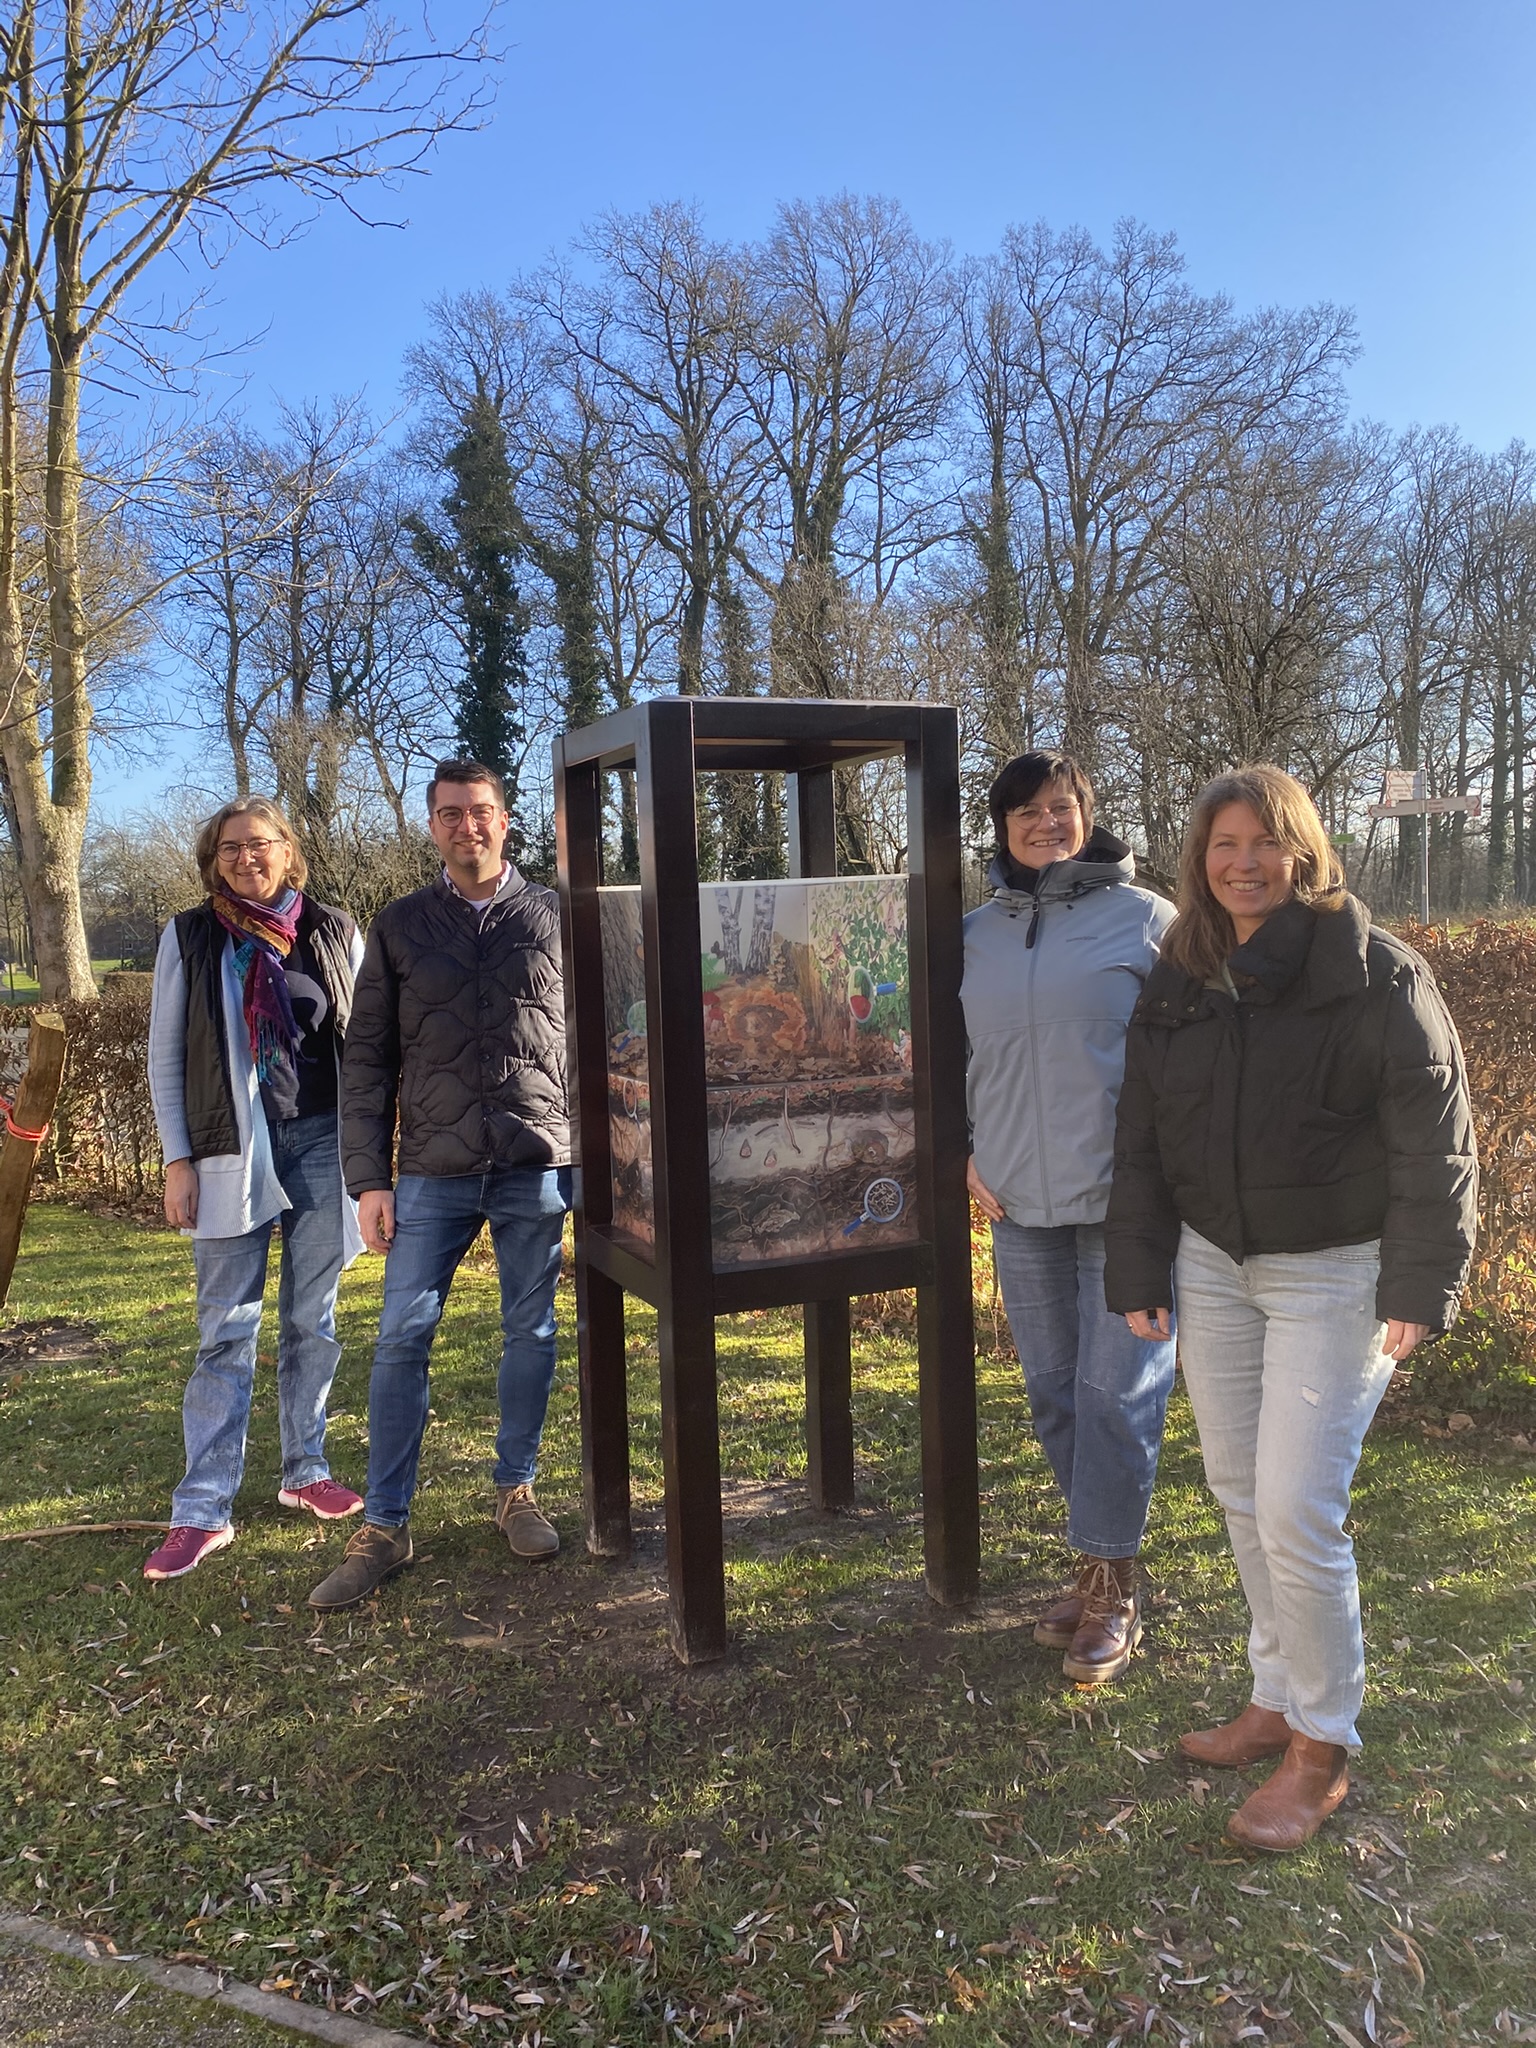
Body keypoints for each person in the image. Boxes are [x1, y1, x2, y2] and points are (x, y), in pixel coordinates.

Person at [1106, 765, 1476, 1850]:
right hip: (1214, 1265)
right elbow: (1143, 1137)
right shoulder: (1179, 976)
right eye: (1223, 844)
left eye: (1265, 841)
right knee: (1234, 1487)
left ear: (1304, 850)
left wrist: (1419, 1282)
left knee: (1295, 1507)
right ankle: (1273, 1694)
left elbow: (1435, 1143)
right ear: (1199, 860)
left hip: (1336, 1272)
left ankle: (1322, 1740)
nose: (1244, 862)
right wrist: (1139, 1267)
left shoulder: (1375, 972)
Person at [307, 760, 572, 1611]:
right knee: (399, 1341)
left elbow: (609, 1044)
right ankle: (385, 1524)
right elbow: (368, 1058)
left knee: (529, 1332)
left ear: (506, 819)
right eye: (452, 815)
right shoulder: (400, 926)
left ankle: (515, 1489)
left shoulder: (558, 916)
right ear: (432, 827)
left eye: (483, 812)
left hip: (537, 1162)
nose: (470, 827)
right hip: (430, 1171)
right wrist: (367, 1179)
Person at [962, 751, 1177, 1683]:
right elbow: (934, 1052)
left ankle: (1112, 1589)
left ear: (1088, 814)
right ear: (1002, 827)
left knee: (1116, 1393)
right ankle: (1100, 1564)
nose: (1045, 824)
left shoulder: (1150, 920)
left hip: (1128, 1207)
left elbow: (1198, 1057)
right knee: (1052, 1392)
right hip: (1020, 1206)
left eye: (1061, 808)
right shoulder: (972, 934)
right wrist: (962, 1147)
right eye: (1025, 813)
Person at [144, 798, 365, 1581]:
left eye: (260, 844)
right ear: (214, 859)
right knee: (225, 1330)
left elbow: (368, 1049)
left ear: (288, 852)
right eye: (231, 847)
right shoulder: (193, 936)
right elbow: (167, 1057)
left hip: (320, 1143)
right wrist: (178, 1161)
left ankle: (306, 1471)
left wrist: (371, 1160)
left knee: (316, 1319)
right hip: (228, 1151)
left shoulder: (333, 930)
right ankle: (203, 1507)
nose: (246, 857)